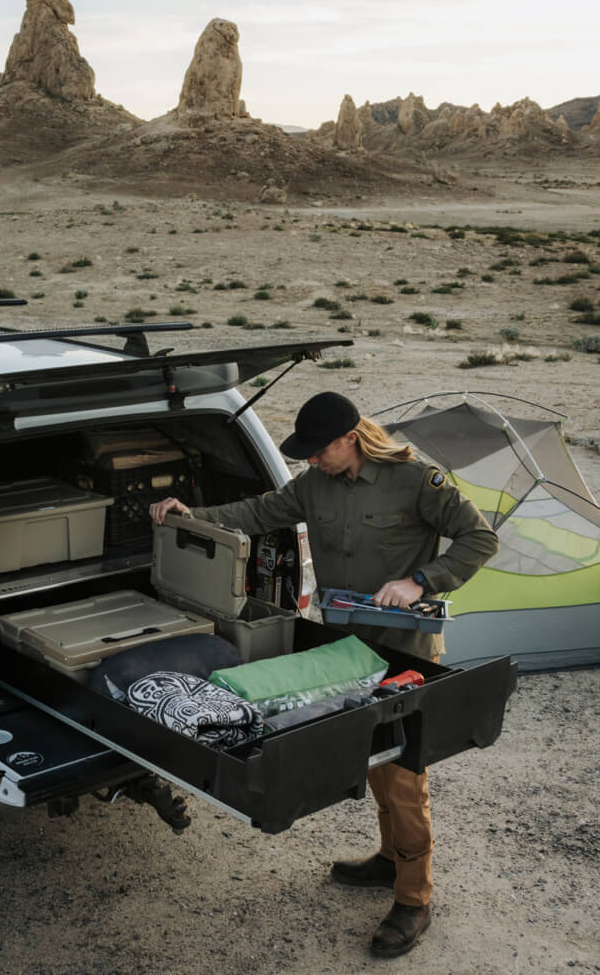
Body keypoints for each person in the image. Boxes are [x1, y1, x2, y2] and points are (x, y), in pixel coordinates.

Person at [149, 390, 499, 959]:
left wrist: (422, 581)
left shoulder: (416, 481)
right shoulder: (315, 485)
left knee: (405, 771)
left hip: (404, 650)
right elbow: (261, 512)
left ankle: (414, 898)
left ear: (350, 440)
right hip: (345, 645)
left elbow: (481, 538)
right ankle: (389, 861)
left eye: (319, 450)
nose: (311, 460)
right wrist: (194, 515)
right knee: (374, 758)